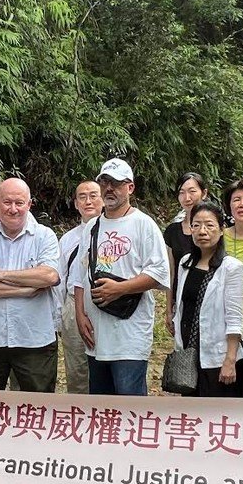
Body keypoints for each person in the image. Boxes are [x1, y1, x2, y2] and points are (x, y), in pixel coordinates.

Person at [73, 159, 170, 396]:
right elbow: (80, 273)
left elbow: (159, 273)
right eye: (105, 182)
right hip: (96, 331)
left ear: (130, 187)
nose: (109, 188)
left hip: (129, 334)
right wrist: (79, 313)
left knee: (130, 403)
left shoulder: (143, 225)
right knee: (101, 405)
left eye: (116, 183)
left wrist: (120, 288)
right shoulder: (92, 226)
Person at [0, 178, 60, 392]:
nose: (13, 209)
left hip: (34, 339)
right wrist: (26, 289)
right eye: (7, 202)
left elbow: (48, 276)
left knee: (38, 407)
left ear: (29, 205)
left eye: (20, 203)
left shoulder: (44, 236)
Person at [171, 202, 243, 396]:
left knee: (216, 415)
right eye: (196, 225)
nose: (202, 231)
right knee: (191, 413)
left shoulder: (231, 268)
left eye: (209, 225)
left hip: (217, 356)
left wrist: (230, 360)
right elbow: (181, 307)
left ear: (221, 230)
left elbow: (235, 318)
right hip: (188, 353)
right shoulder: (185, 263)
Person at [55, 180, 103, 394]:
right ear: (75, 203)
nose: (88, 201)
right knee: (77, 369)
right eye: (82, 197)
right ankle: (79, 417)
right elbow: (59, 279)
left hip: (105, 304)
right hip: (73, 304)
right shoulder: (68, 239)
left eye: (93, 195)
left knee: (104, 365)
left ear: (103, 199)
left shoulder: (113, 234)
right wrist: (58, 317)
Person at [163, 172, 209, 336]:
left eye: (192, 191)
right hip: (182, 301)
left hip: (209, 301)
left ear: (204, 193)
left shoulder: (216, 228)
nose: (187, 197)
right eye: (182, 192)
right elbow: (171, 272)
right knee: (184, 354)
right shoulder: (172, 231)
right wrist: (169, 309)